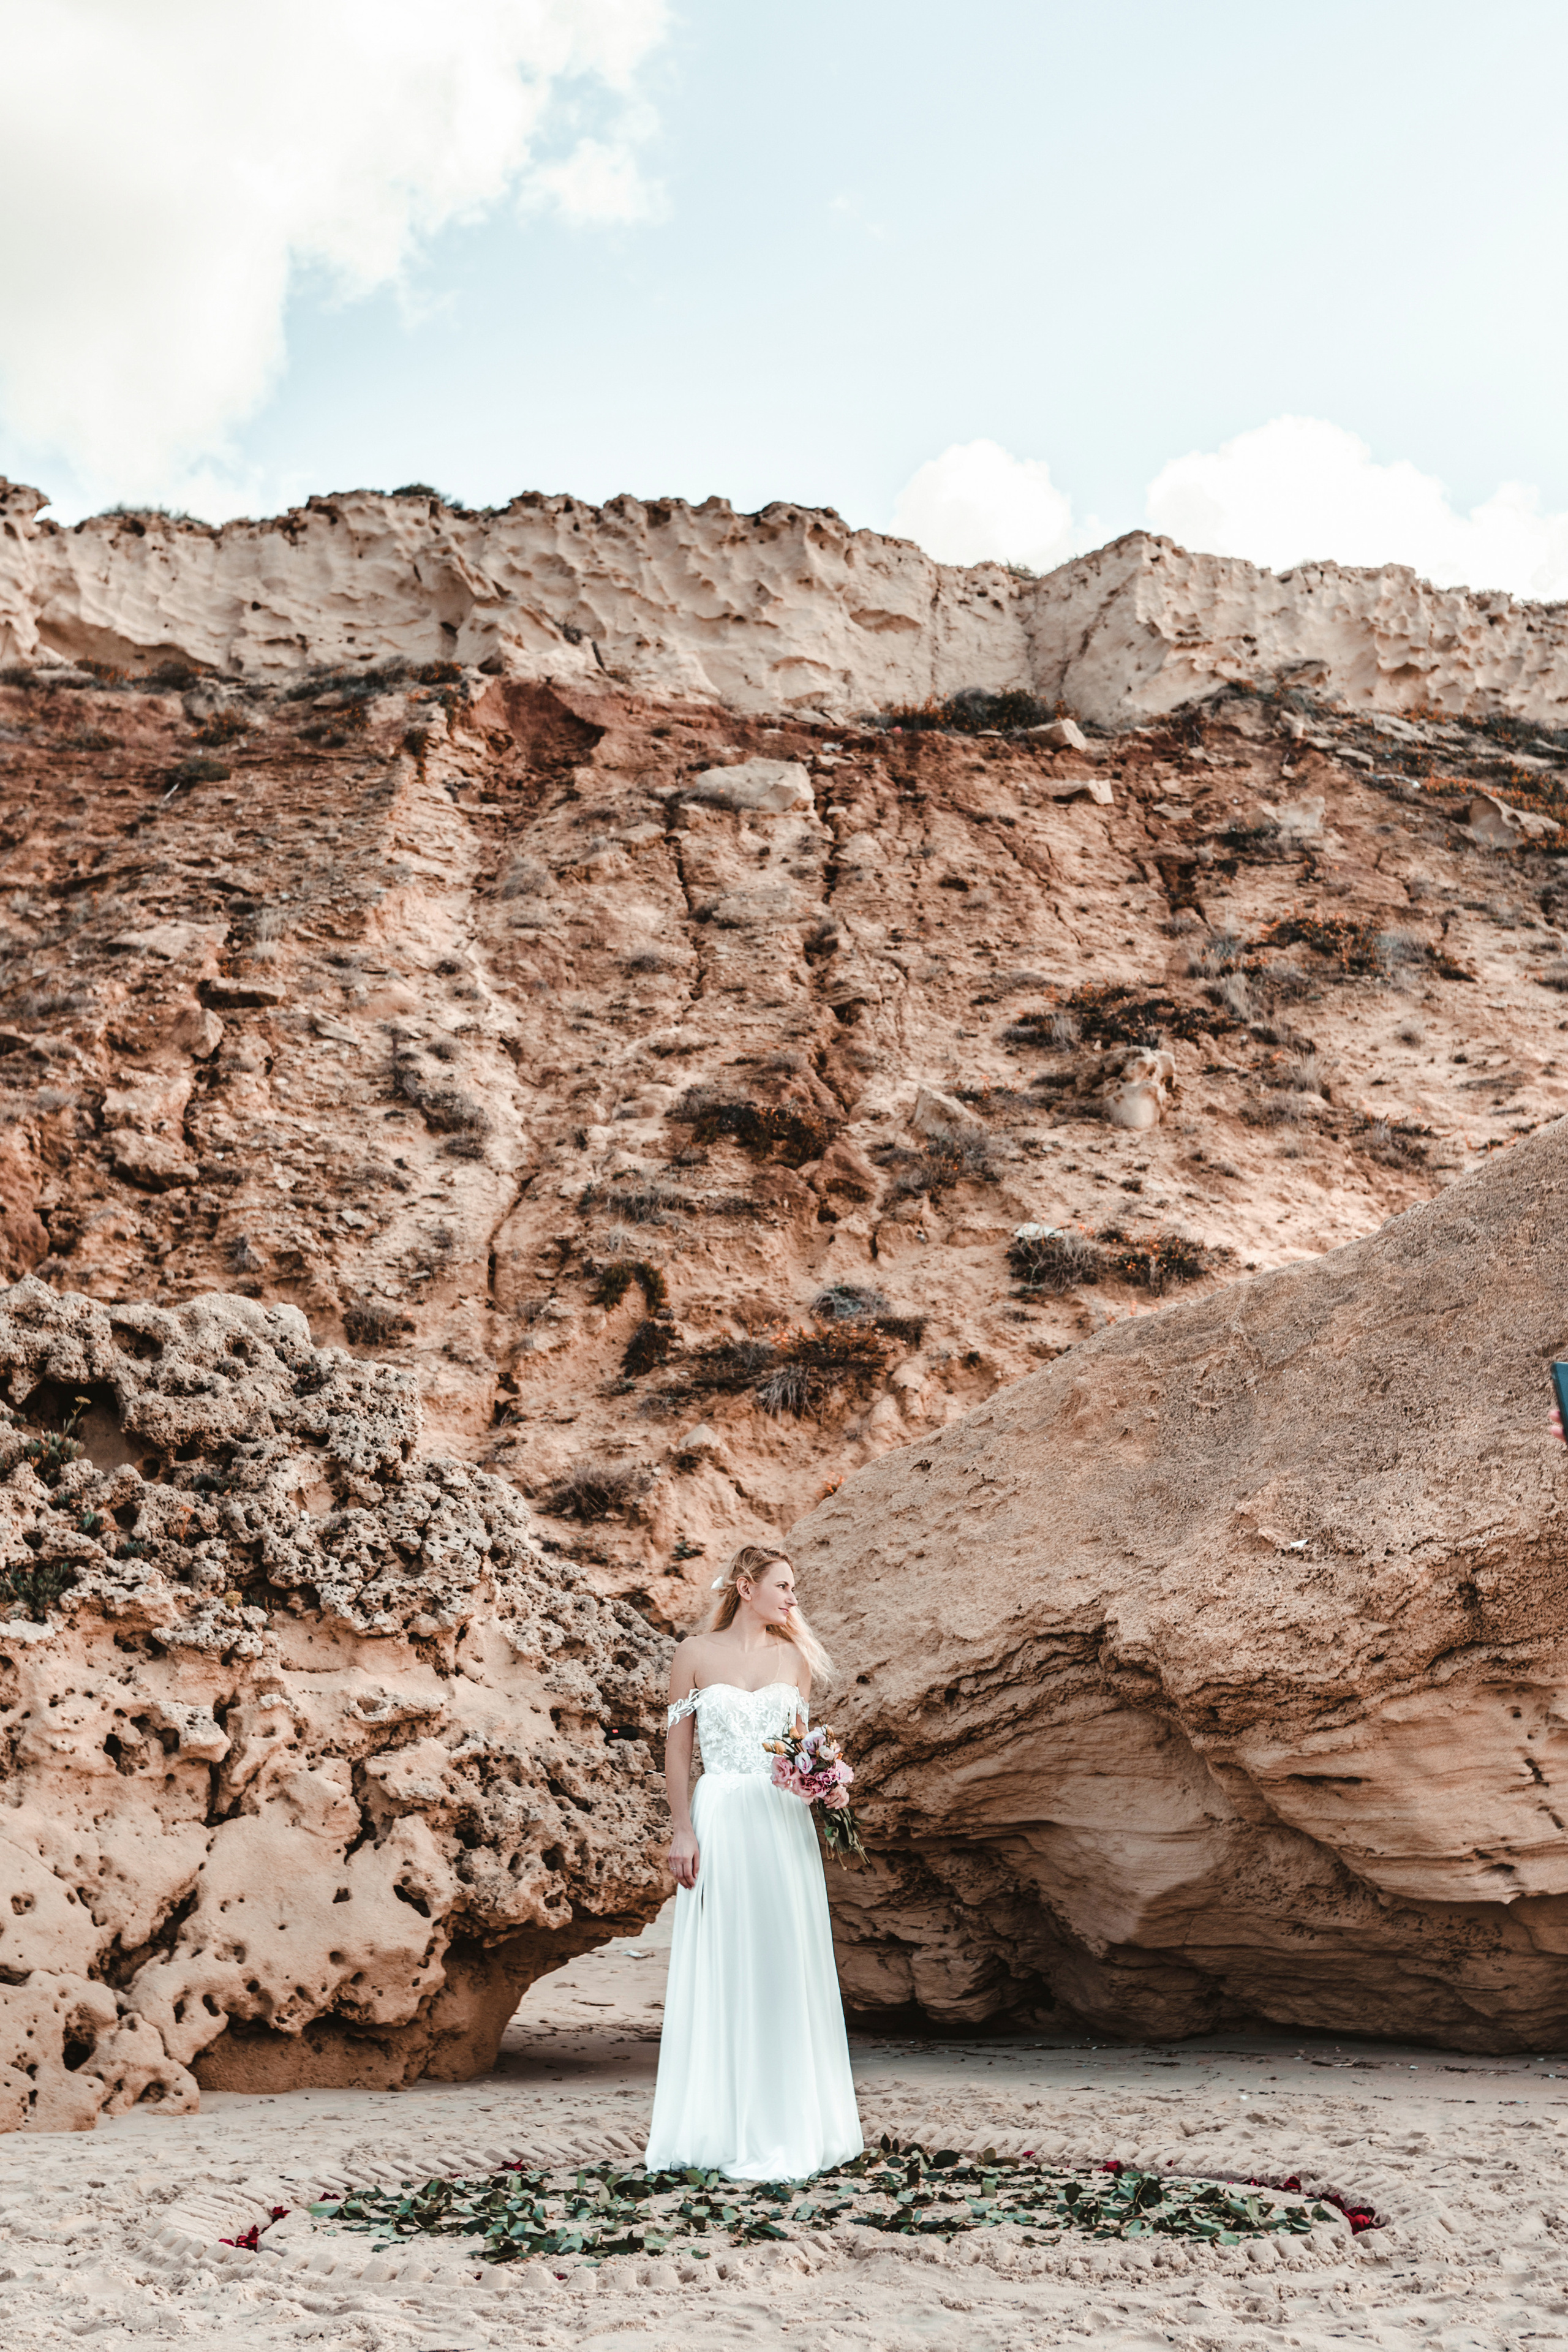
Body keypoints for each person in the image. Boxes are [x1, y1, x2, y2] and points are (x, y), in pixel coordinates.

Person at [644, 1543, 864, 2180]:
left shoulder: (793, 1659)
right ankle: (717, 2125)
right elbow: (678, 1755)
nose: (793, 1599)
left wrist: (824, 1784)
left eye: (793, 1589)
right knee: (724, 1959)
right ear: (746, 1587)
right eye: (784, 1586)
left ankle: (790, 2122)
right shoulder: (693, 1655)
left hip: (778, 1822)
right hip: (719, 1816)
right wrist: (682, 1832)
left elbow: (796, 1750)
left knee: (782, 1958)